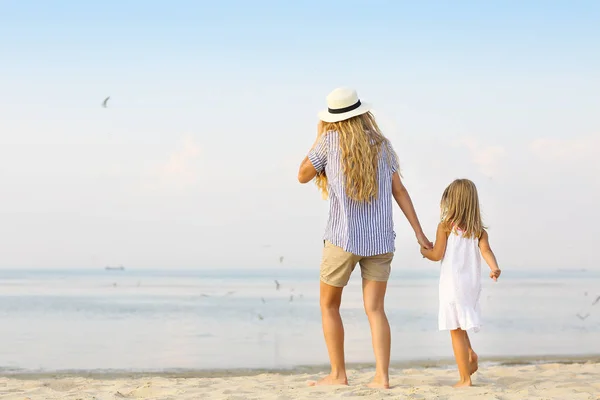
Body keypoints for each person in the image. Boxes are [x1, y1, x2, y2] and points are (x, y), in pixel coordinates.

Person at [297, 87, 432, 388]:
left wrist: (320, 137)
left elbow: (303, 174)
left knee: (329, 306)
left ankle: (338, 375)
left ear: (334, 118)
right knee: (375, 309)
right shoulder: (383, 145)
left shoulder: (329, 142)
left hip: (341, 239)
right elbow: (400, 191)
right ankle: (382, 378)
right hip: (380, 241)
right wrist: (420, 233)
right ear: (361, 113)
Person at [420, 179, 501, 387]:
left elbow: (437, 254)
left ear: (453, 202)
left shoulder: (446, 226)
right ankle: (471, 355)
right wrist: (494, 268)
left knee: (454, 329)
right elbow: (486, 251)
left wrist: (424, 251)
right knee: (461, 322)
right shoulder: (479, 231)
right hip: (470, 286)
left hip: (451, 284)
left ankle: (465, 379)